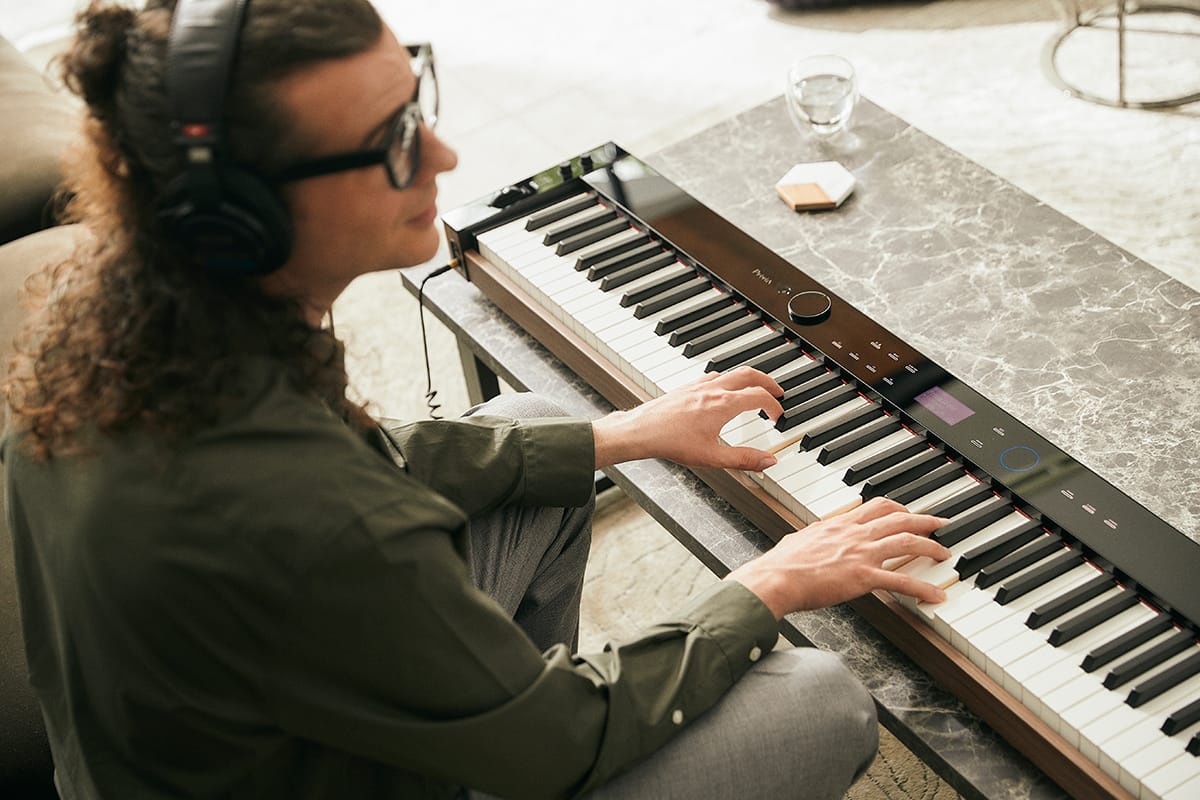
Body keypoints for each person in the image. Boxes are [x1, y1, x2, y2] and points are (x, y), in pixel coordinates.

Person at [2, 1, 952, 797]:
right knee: (820, 700)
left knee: (543, 435)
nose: (445, 155)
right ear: (239, 216)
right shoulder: (307, 518)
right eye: (395, 140)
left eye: (417, 103)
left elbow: (373, 471)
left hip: (257, 743)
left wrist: (622, 433)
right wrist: (770, 584)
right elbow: (564, 734)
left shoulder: (123, 322)